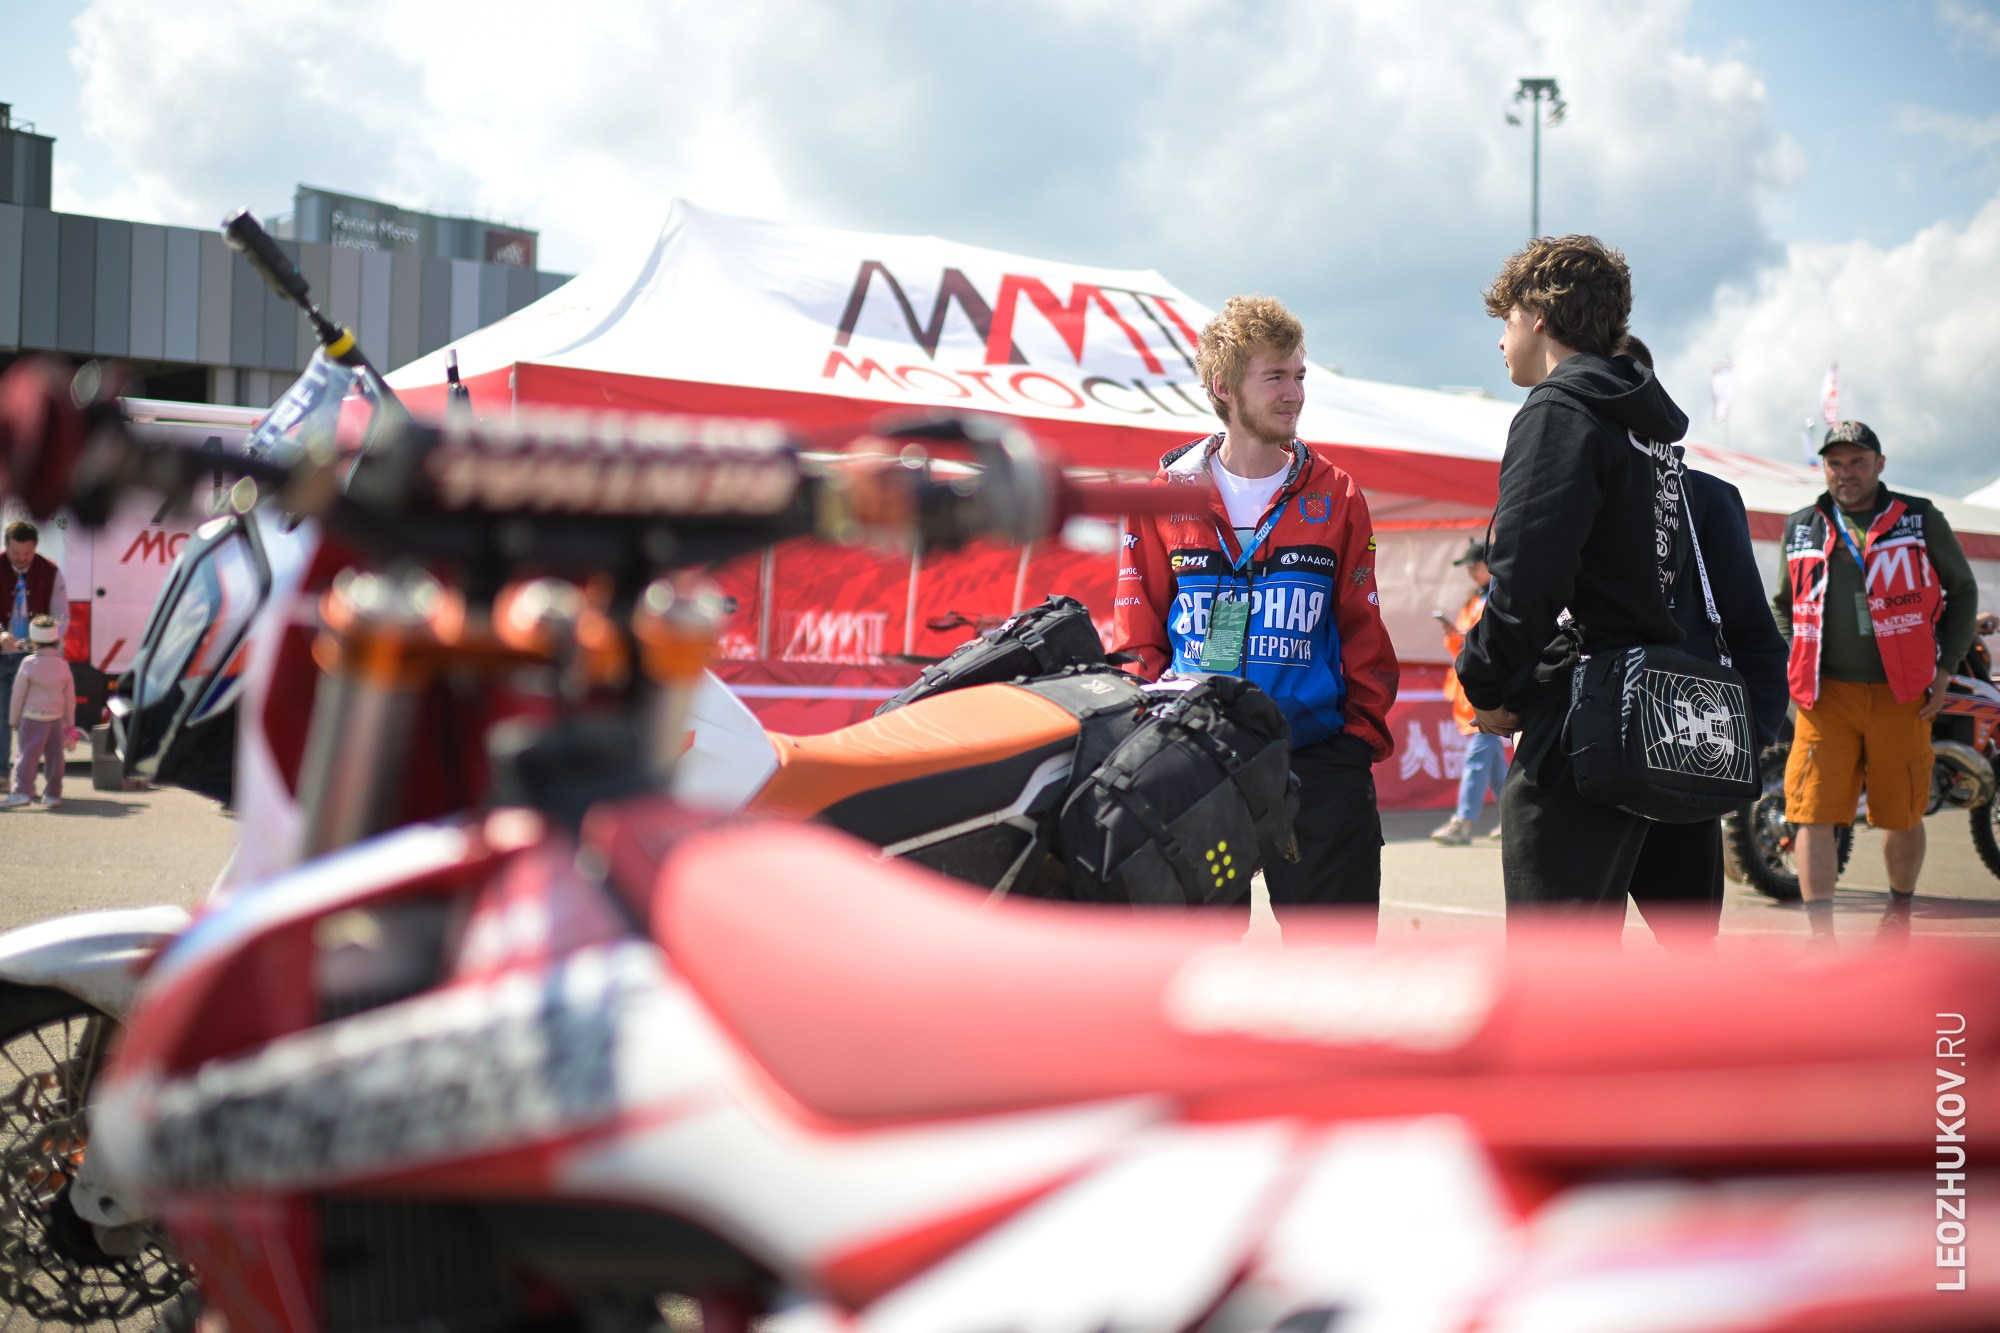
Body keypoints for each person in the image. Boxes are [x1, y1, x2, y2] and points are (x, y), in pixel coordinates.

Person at [1114, 294, 1399, 931]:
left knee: (1335, 976)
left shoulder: (1337, 492)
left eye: (1299, 375)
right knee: (1198, 979)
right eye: (1275, 376)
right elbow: (1139, 632)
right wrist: (1159, 741)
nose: (1294, 393)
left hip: (1318, 761)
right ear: (1224, 387)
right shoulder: (1166, 495)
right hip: (1197, 767)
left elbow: (1362, 627)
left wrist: (1355, 743)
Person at [1454, 236, 1690, 937]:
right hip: (1667, 713)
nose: (1500, 343)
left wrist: (1486, 681)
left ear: (1534, 316)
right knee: (1677, 975)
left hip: (1589, 725)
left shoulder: (1561, 410)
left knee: (1551, 975)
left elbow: (1527, 579)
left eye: (1503, 322)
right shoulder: (1652, 429)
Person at [1772, 420, 1981, 948]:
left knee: (1901, 811)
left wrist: (1945, 668)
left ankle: (1900, 913)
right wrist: (1792, 661)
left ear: (1880, 464)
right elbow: (1781, 604)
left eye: (1857, 461)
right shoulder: (1802, 525)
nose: (1845, 473)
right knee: (1810, 811)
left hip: (1902, 692)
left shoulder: (1917, 518)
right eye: (1835, 463)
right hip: (1826, 697)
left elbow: (1963, 590)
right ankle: (1822, 933)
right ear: (1823, 467)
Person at [1616, 337, 1791, 949]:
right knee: (1570, 970)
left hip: (1683, 753)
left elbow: (1753, 633)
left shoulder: (1707, 498)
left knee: (1689, 952)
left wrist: (1750, 737)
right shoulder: (1560, 484)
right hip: (1586, 760)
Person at [1431, 538, 1506, 844]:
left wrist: (1465, 640)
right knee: (1492, 761)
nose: (1471, 573)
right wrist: (1455, 636)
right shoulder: (1474, 599)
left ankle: (1463, 821)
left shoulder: (1500, 598)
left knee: (1479, 756)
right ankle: (1513, 816)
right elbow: (1463, 648)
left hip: (1487, 690)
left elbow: (1495, 644)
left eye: (1474, 566)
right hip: (1471, 690)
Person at [1, 519, 69, 777]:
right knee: (3, 717)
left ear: (36, 548)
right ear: (6, 546)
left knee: (40, 720)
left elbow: (61, 615)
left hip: (37, 658)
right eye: (15, 554)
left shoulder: (51, 572)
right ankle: (2, 775)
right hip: (3, 654)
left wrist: (44, 641)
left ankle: (38, 778)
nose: (21, 559)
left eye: (27, 554)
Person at [5, 615, 75, 809]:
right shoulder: (63, 665)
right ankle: (53, 794)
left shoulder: (29, 663)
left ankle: (22, 791)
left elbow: (19, 694)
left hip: (32, 717)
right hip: (56, 717)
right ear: (57, 640)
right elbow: (70, 697)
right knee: (55, 758)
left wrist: (14, 719)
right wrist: (70, 723)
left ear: (33, 641)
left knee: (27, 756)